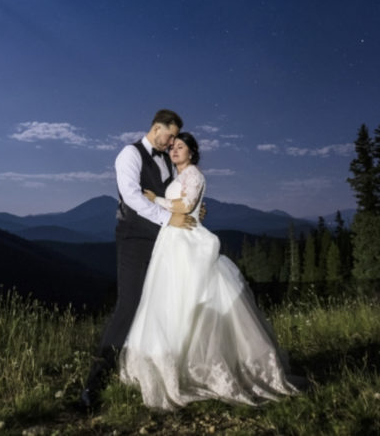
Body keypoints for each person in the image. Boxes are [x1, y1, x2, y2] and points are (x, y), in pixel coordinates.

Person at [119, 132, 300, 410]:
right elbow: (190, 205)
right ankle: (172, 364)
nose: (174, 151)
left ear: (192, 152)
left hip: (187, 242)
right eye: (172, 148)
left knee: (190, 299)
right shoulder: (178, 177)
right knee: (169, 303)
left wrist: (156, 200)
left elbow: (186, 206)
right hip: (171, 241)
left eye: (180, 147)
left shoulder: (194, 175)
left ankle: (205, 367)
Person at [80, 109, 197, 409]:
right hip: (133, 239)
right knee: (129, 304)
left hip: (164, 242)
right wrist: (167, 219)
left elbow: (174, 196)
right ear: (156, 128)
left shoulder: (166, 162)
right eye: (169, 136)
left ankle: (153, 373)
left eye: (175, 139)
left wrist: (190, 212)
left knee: (162, 305)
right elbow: (131, 197)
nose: (172, 144)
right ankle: (94, 381)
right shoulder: (129, 155)